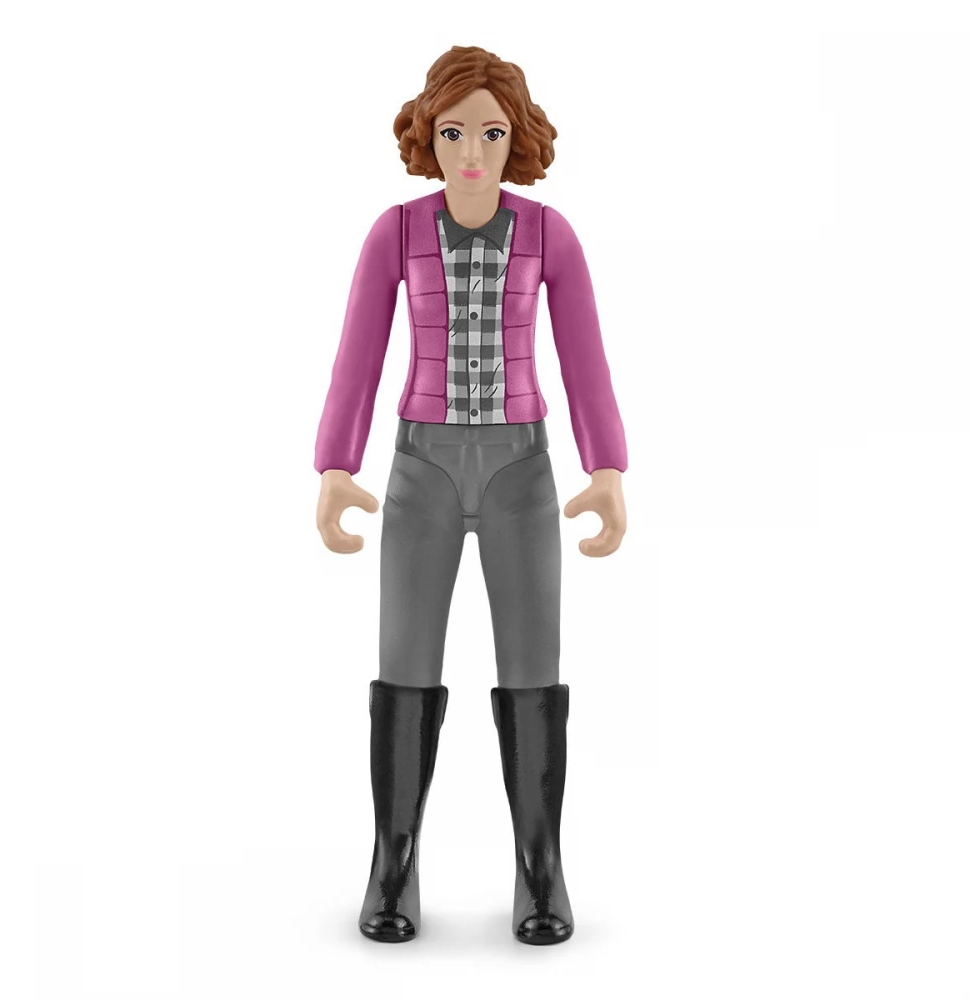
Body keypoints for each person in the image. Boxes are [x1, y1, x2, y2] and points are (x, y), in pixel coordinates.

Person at [314, 45, 628, 945]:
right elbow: (359, 355)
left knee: (533, 663)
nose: (473, 154)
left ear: (515, 138)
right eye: (453, 134)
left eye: (491, 133)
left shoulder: (549, 235)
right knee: (405, 658)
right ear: (429, 137)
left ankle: (540, 864)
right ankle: (394, 859)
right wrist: (336, 463)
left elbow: (585, 359)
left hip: (523, 470)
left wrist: (606, 467)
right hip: (421, 468)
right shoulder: (396, 232)